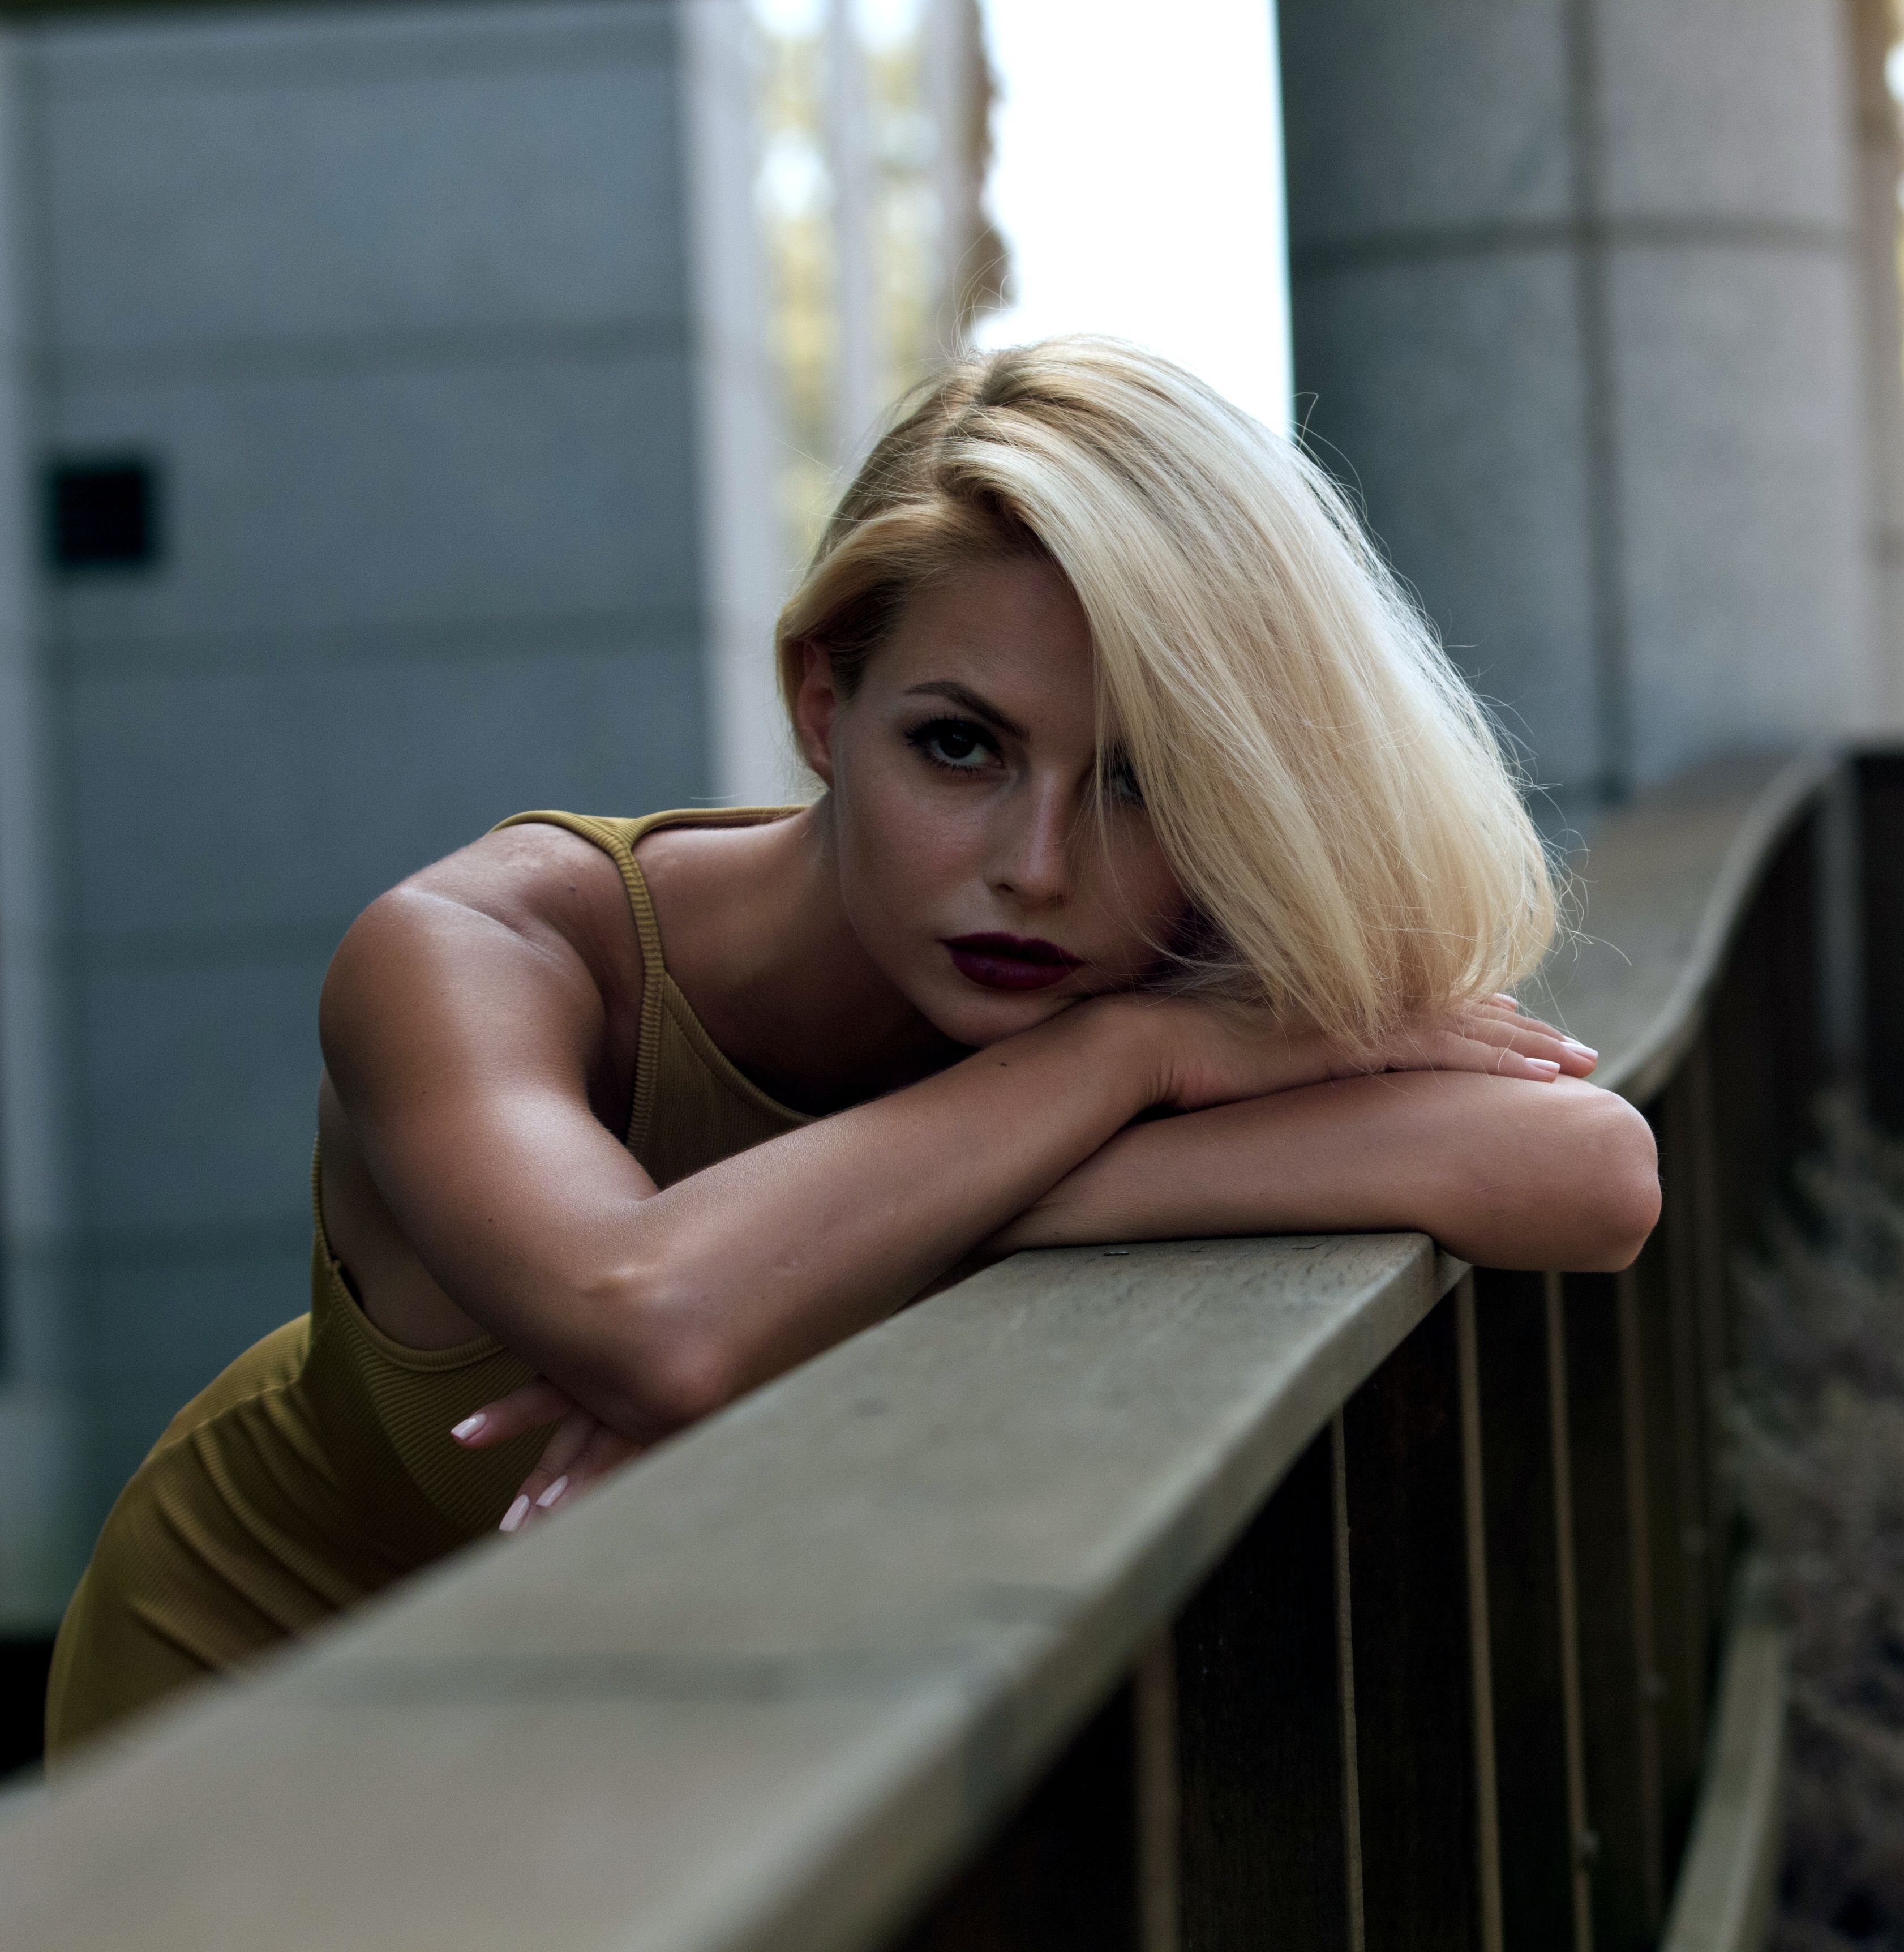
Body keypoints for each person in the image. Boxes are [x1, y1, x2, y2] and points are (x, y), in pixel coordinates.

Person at [44, 337, 1660, 1762]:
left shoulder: (1173, 952)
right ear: (824, 702)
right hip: (269, 1687)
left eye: (1141, 778)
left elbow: (1590, 1170)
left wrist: (866, 1239)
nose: (1038, 865)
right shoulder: (484, 952)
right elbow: (660, 1317)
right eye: (959, 746)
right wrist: (1110, 1071)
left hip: (692, 1741)